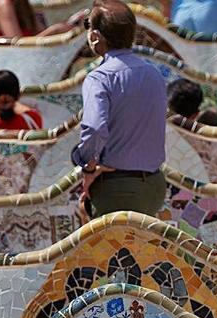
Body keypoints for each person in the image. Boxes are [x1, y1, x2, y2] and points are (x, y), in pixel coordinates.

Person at [71, 0, 168, 218]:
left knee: (112, 252)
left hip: (117, 188)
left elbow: (95, 129)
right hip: (154, 185)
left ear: (95, 36)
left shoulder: (100, 78)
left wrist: (87, 166)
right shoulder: (154, 74)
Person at [0, 0, 84, 38]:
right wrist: (54, 30)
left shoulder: (22, 4)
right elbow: (18, 46)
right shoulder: (4, 5)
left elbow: (39, 33)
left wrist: (69, 24)